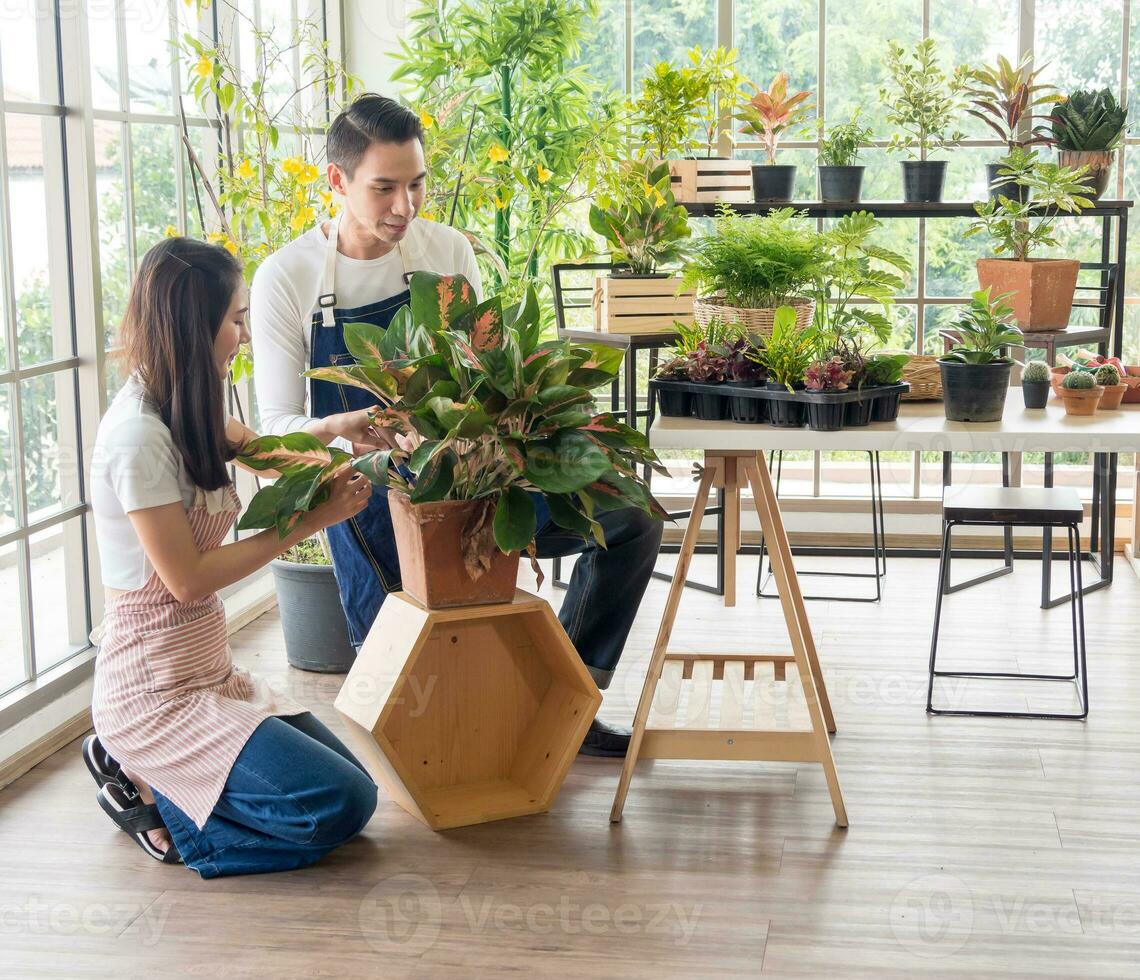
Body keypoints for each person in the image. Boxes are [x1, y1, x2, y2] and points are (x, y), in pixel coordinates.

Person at [251, 93, 663, 757]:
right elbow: (275, 427)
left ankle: (571, 699)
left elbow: (487, 370)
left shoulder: (444, 251)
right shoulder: (289, 277)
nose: (405, 208)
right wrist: (348, 425)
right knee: (420, 720)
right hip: (368, 491)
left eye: (417, 185)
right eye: (384, 188)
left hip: (473, 474)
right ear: (336, 180)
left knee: (630, 519)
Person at [86, 237, 377, 876]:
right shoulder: (138, 436)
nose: (242, 335)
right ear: (197, 326)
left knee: (356, 784)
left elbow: (271, 454)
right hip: (155, 693)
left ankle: (167, 780)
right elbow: (187, 581)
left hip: (208, 672)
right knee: (340, 805)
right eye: (235, 320)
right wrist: (314, 519)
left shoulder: (186, 406)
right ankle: (151, 793)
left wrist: (340, 431)